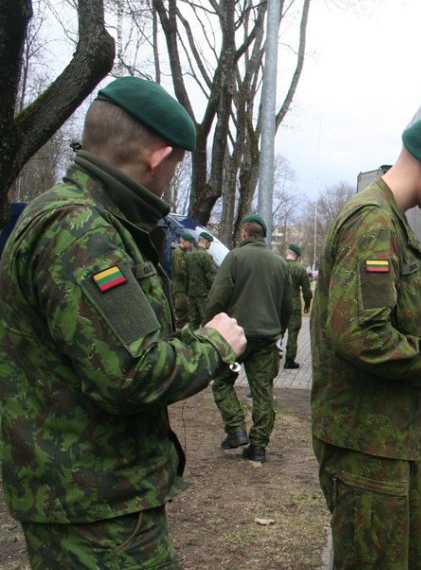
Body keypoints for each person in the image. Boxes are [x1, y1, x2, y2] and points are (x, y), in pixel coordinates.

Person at [0, 76, 247, 568]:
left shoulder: (70, 216)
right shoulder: (82, 231)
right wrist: (215, 344)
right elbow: (131, 373)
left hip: (84, 498)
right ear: (159, 157)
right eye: (176, 164)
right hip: (95, 509)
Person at [310, 114, 421, 569]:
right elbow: (359, 334)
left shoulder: (389, 219)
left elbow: (377, 322)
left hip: (388, 440)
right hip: (366, 448)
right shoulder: (373, 222)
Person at [207, 214, 291, 463]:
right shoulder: (279, 263)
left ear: (244, 233)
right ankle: (258, 447)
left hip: (235, 337)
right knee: (263, 392)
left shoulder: (234, 257)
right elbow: (287, 305)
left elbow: (218, 296)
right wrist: (279, 331)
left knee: (222, 382)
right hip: (266, 339)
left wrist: (209, 325)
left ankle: (235, 429)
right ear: (262, 235)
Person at [283, 243, 312, 369]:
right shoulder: (300, 270)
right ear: (298, 257)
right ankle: (289, 360)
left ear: (287, 253)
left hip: (279, 304)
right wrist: (307, 304)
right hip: (294, 305)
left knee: (277, 331)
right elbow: (306, 290)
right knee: (293, 332)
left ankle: (275, 353)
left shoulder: (279, 265)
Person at [188, 230, 217, 327]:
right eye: (210, 243)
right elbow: (210, 277)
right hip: (203, 294)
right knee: (206, 319)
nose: (210, 245)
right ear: (206, 242)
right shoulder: (206, 256)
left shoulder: (190, 255)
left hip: (192, 292)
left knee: (193, 320)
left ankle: (190, 339)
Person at [172, 230, 194, 328]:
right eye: (189, 242)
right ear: (183, 241)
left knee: (185, 313)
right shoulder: (178, 253)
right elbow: (180, 271)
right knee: (180, 313)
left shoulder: (184, 253)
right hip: (180, 287)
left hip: (184, 288)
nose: (191, 245)